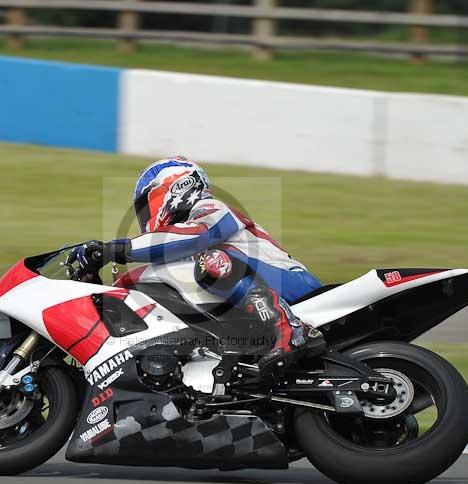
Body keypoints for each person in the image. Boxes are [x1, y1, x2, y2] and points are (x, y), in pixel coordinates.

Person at [74, 157, 323, 372]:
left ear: (176, 189)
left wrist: (117, 249)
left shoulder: (211, 209)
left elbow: (193, 236)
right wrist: (95, 289)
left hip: (293, 285)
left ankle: (290, 329)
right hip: (260, 295)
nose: (144, 216)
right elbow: (142, 278)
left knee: (211, 262)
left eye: (144, 206)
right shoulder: (178, 248)